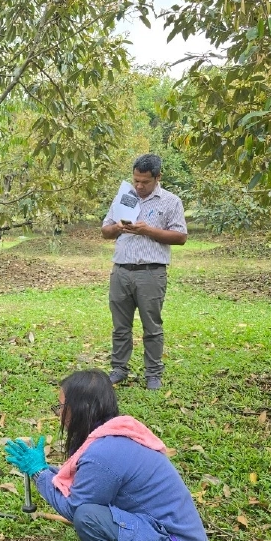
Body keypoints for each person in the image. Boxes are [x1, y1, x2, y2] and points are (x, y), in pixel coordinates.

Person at [4, 369, 209, 541]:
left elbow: (74, 507)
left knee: (87, 517)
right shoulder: (115, 434)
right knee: (90, 513)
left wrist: (38, 473)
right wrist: (46, 470)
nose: (58, 415)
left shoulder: (103, 454)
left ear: (79, 408)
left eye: (60, 407)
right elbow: (85, 483)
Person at [101, 154, 187, 391]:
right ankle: (119, 369)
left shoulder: (171, 202)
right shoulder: (125, 198)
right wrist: (117, 227)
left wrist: (148, 230)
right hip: (121, 271)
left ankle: (153, 374)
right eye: (136, 180)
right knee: (120, 326)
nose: (139, 186)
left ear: (158, 178)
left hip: (151, 272)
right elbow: (105, 231)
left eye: (145, 182)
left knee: (152, 326)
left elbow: (180, 237)